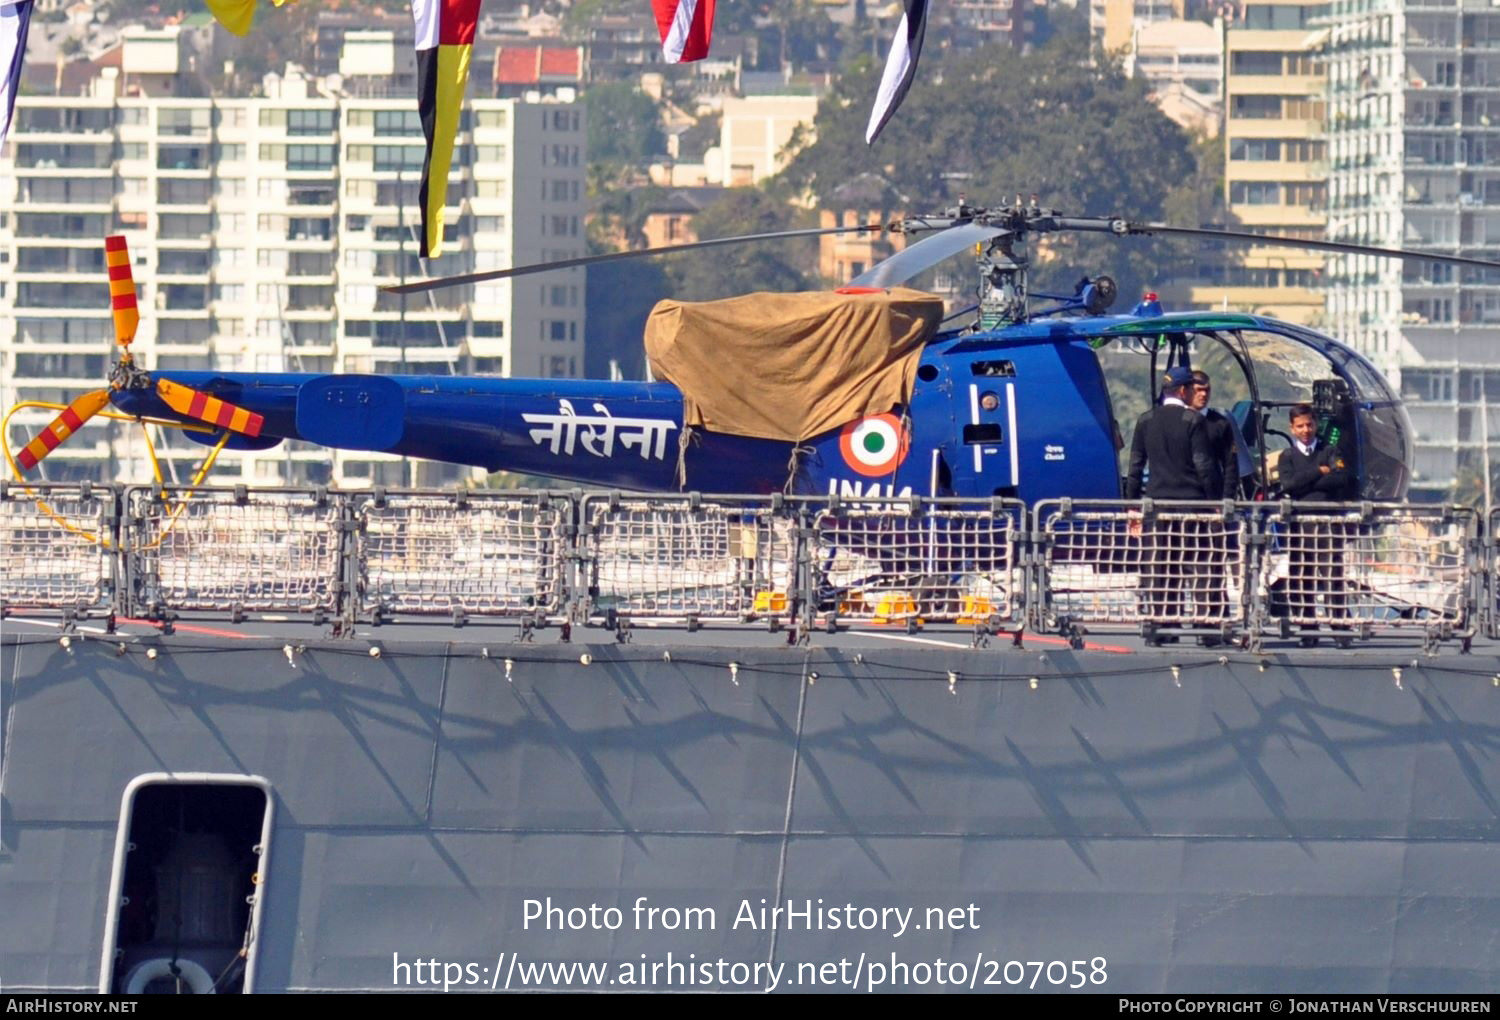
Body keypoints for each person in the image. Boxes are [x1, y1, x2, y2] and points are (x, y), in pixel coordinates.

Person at [1125, 366, 1220, 625]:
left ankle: (1162, 625)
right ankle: (1205, 626)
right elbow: (1204, 465)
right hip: (1192, 504)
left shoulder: (1145, 420)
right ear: (1183, 390)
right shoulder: (1193, 420)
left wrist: (1131, 507)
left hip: (1157, 505)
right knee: (1199, 565)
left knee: (1160, 567)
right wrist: (1216, 502)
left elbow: (1135, 467)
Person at [1278, 403, 1357, 639]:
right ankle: (1308, 628)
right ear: (1292, 428)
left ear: (1316, 424)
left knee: (1332, 574)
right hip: (1300, 525)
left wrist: (1309, 481)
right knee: (1302, 576)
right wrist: (1319, 472)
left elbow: (1340, 479)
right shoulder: (1288, 456)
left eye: (1309, 424)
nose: (1306, 430)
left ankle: (1340, 626)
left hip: (1327, 523)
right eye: (1300, 426)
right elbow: (1289, 485)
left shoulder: (1330, 451)